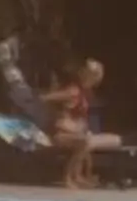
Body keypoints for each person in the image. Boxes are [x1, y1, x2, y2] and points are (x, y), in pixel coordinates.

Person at [39, 58, 123, 189]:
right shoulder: (74, 91)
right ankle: (68, 177)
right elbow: (46, 98)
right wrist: (58, 115)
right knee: (84, 142)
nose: (95, 79)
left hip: (75, 132)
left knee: (95, 140)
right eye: (92, 75)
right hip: (61, 133)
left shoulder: (86, 93)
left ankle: (80, 176)